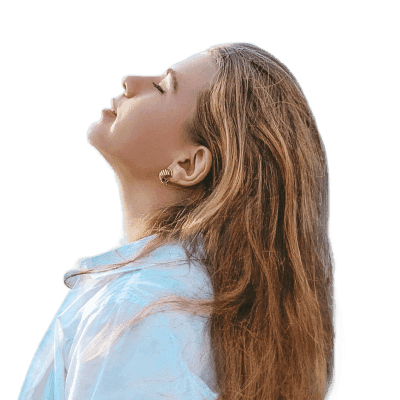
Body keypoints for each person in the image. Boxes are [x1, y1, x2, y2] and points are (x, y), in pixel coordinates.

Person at [18, 41, 337, 400]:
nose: (130, 81)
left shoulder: (138, 313)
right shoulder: (184, 302)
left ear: (188, 165)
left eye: (162, 87)